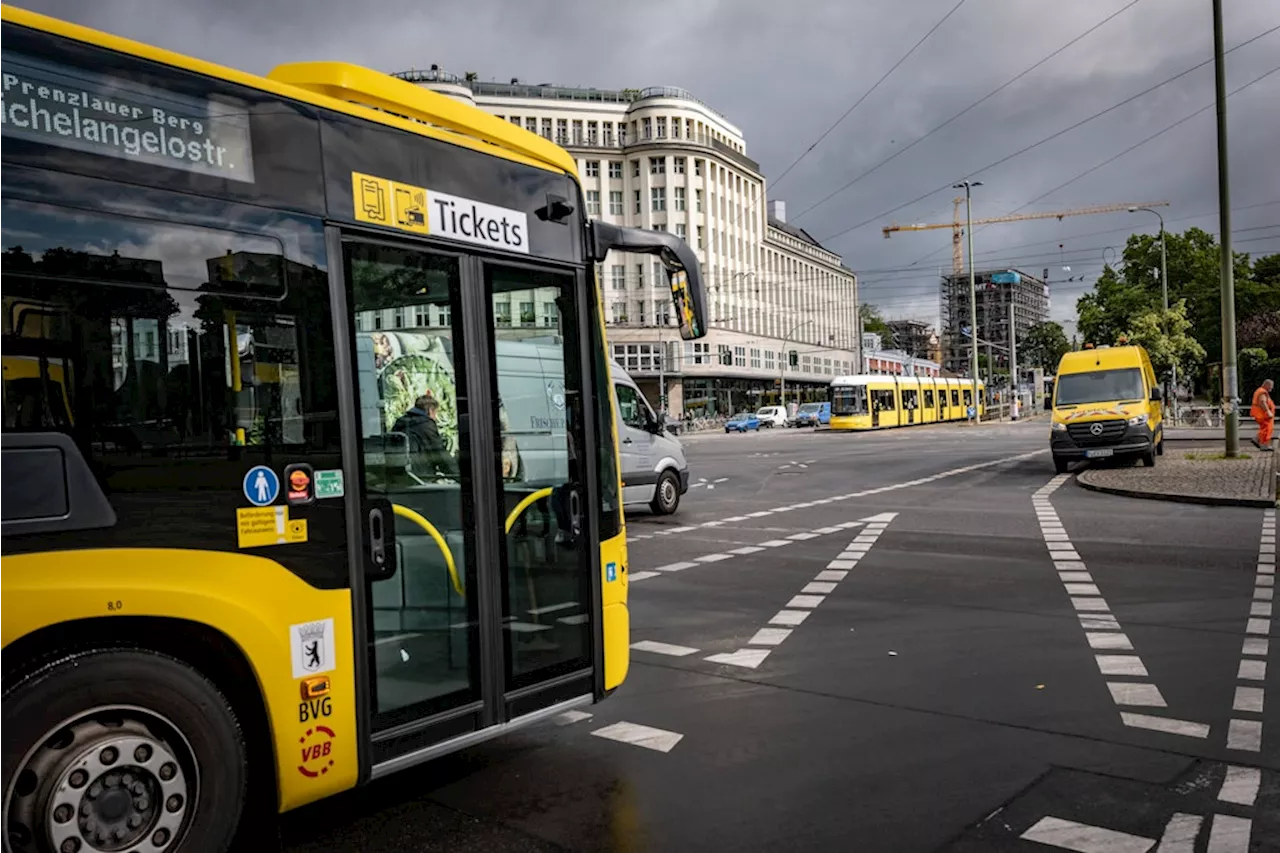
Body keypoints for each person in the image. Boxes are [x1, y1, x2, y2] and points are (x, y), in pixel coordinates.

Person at [392, 394, 459, 478]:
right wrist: (456, 474)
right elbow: (439, 453)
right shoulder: (425, 425)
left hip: (401, 475)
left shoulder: (400, 423)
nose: (435, 417)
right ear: (430, 410)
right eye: (435, 413)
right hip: (422, 475)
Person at [1251, 378, 1275, 451]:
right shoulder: (1262, 392)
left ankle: (1257, 439)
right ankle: (1264, 445)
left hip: (1260, 412)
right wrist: (1268, 411)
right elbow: (1262, 402)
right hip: (1262, 413)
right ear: (1266, 385)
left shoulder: (1260, 391)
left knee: (1264, 428)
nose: (1272, 388)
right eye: (1271, 386)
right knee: (1267, 428)